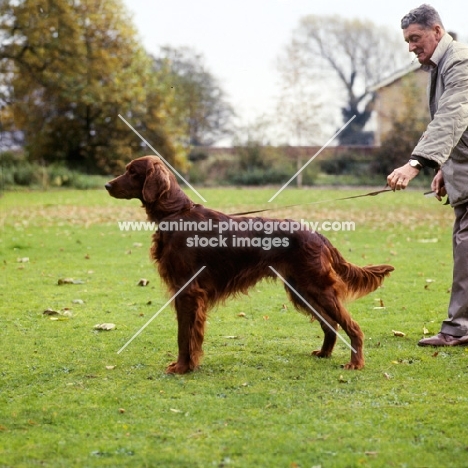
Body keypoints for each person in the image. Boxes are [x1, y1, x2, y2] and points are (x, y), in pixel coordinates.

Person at [387, 4, 468, 346]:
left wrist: (416, 162)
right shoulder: (440, 65)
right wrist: (443, 170)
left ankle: (458, 328)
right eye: (407, 40)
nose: (411, 47)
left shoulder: (460, 62)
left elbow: (452, 116)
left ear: (437, 31)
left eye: (416, 38)